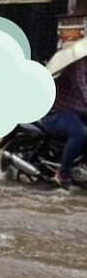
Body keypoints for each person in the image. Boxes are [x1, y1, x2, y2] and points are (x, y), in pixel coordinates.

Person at [40, 56, 87, 190]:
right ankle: (62, 174)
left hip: (79, 114)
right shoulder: (77, 65)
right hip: (58, 113)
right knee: (80, 133)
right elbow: (84, 92)